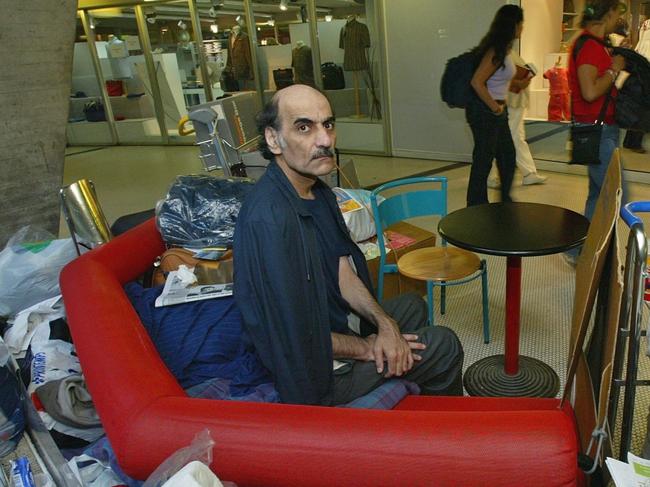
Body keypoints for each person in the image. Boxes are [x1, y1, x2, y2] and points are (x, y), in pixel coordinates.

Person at [233, 84, 463, 406]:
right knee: (443, 344)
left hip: (333, 327)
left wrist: (385, 326)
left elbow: (342, 271)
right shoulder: (269, 221)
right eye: (304, 127)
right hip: (317, 374)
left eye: (327, 124)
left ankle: (411, 394)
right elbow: (298, 337)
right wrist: (370, 347)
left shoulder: (318, 191)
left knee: (411, 305)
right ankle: (444, 435)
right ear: (274, 139)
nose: (325, 140)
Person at [564, 0, 628, 266]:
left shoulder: (594, 44)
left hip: (601, 129)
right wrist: (614, 69)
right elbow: (590, 91)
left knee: (597, 194)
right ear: (609, 13)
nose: (618, 20)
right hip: (597, 130)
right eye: (617, 14)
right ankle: (600, 256)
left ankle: (579, 251)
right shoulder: (590, 45)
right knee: (614, 194)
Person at [465, 5, 523, 206]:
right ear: (514, 25)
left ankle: (504, 200)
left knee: (507, 156)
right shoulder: (495, 50)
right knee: (483, 160)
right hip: (486, 112)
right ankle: (475, 207)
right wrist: (495, 107)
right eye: (521, 24)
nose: (522, 28)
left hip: (496, 111)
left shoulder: (503, 48)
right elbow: (477, 82)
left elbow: (496, 80)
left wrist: (516, 84)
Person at [488, 51, 547, 189]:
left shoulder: (507, 51)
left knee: (515, 137)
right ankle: (526, 173)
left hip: (514, 101)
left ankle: (528, 172)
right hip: (508, 101)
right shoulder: (499, 51)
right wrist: (518, 82)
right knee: (510, 138)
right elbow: (496, 77)